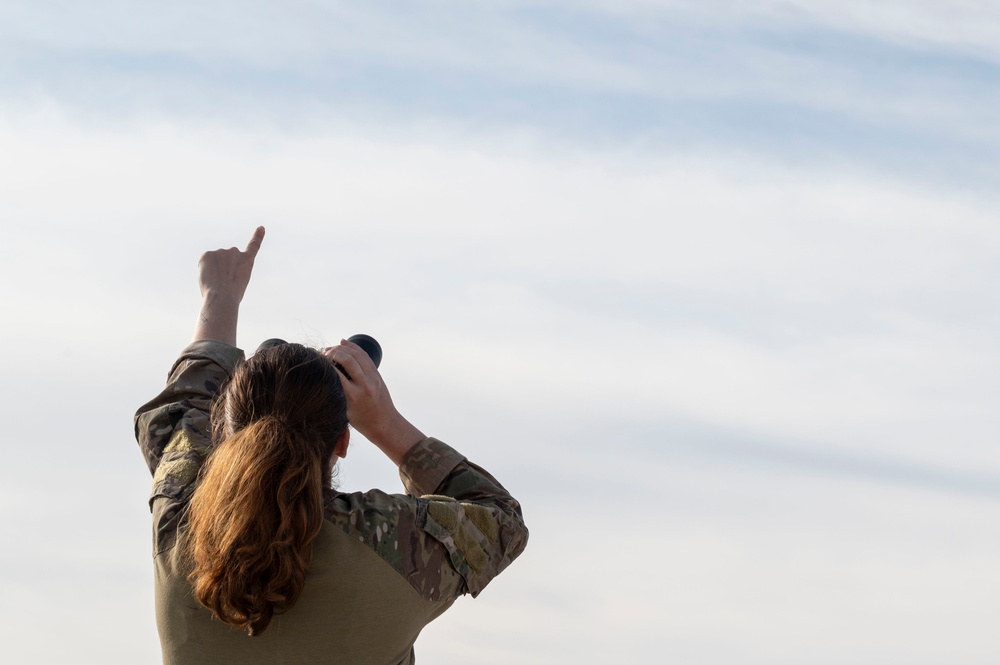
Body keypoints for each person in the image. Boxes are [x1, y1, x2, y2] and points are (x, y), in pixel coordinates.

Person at [134, 227, 529, 665]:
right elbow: (499, 519)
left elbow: (177, 412)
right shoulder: (395, 543)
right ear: (342, 441)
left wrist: (219, 295)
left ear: (225, 435)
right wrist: (384, 423)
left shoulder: (182, 522)